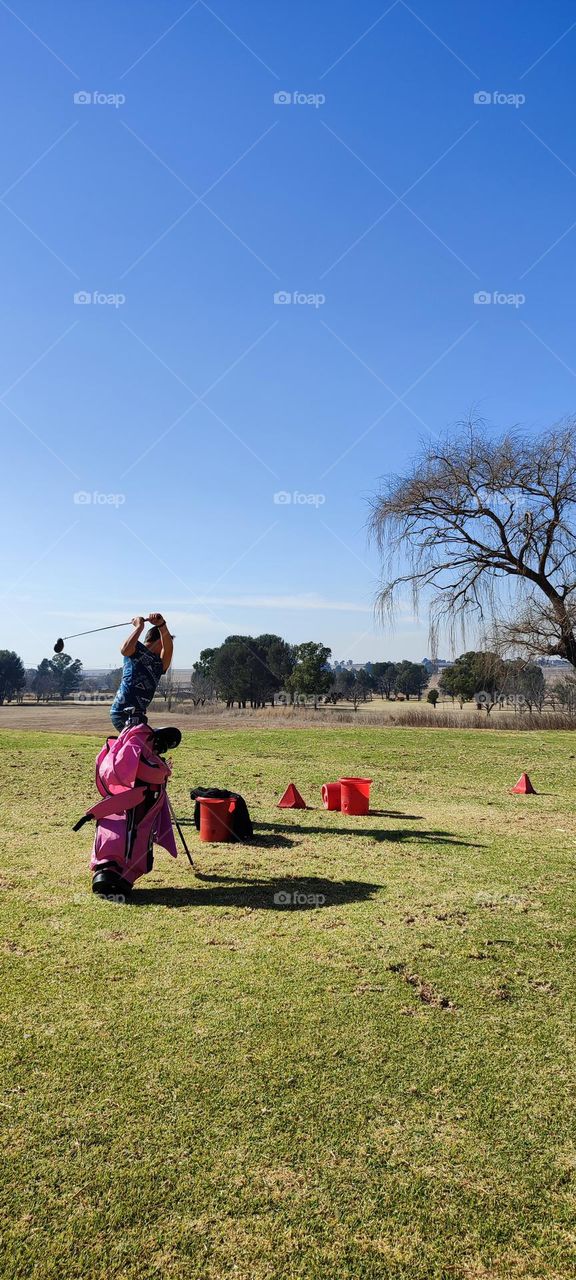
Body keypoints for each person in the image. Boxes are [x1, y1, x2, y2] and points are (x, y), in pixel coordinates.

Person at [109, 613, 173, 733]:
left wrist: (162, 625)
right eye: (164, 641)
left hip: (138, 714)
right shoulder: (136, 649)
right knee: (140, 747)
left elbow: (168, 649)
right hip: (123, 712)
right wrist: (139, 627)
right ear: (159, 641)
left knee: (146, 747)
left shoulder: (159, 664)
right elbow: (125, 650)